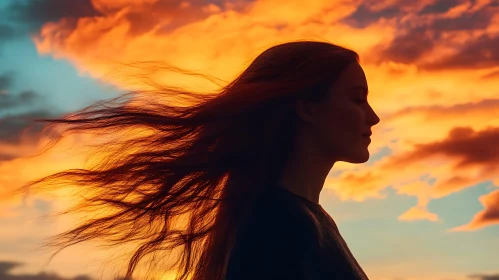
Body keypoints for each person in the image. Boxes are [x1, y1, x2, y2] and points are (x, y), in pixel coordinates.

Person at [11, 40, 380, 280]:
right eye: (357, 98)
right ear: (306, 107)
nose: (372, 116)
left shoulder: (300, 219)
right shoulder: (279, 222)